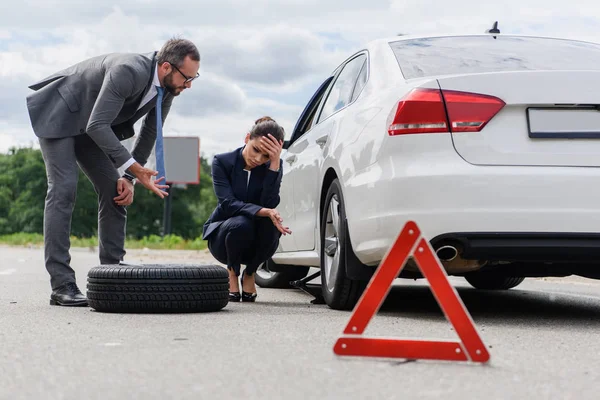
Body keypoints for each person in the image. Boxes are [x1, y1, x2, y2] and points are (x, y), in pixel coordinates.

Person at [25, 37, 201, 307]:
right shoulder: (128, 70)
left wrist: (130, 177)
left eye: (193, 78)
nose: (188, 85)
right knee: (64, 190)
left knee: (114, 188)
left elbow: (150, 132)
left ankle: (113, 271)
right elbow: (98, 124)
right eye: (186, 78)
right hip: (60, 113)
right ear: (166, 67)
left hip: (90, 125)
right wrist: (132, 167)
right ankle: (62, 284)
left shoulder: (167, 90)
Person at [202, 117, 291, 302]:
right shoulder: (222, 161)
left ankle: (250, 273)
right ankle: (232, 273)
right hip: (223, 237)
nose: (258, 159)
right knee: (241, 223)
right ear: (247, 138)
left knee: (272, 226)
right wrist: (263, 211)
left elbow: (270, 202)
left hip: (254, 242)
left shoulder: (272, 166)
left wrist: (274, 166)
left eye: (266, 156)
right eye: (256, 149)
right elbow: (227, 203)